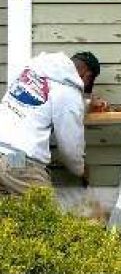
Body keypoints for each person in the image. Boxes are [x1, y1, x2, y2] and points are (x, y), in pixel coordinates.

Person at [0, 51, 101, 195]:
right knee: (45, 214)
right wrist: (80, 169)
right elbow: (70, 148)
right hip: (18, 160)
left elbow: (43, 104)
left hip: (3, 151)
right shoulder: (68, 92)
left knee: (9, 214)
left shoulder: (32, 70)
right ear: (87, 75)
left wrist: (86, 104)